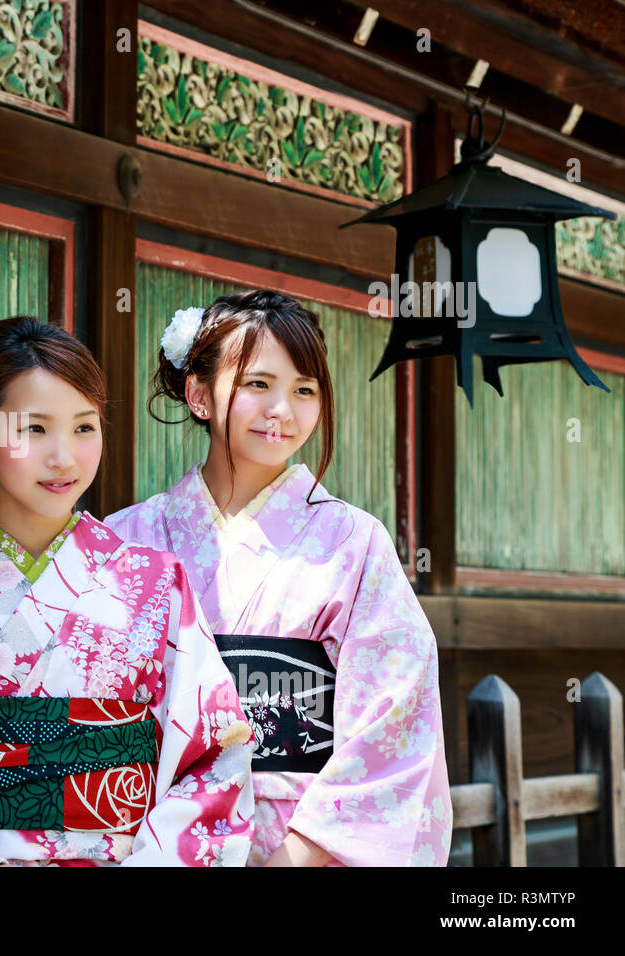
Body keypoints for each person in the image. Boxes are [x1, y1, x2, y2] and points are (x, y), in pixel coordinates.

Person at [0, 317, 256, 866]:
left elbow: (216, 750)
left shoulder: (155, 584)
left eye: (84, 427)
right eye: (34, 429)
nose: (64, 457)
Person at [107, 289, 452, 866]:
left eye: (304, 391)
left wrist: (296, 858)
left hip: (300, 846)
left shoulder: (354, 543)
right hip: (149, 842)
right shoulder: (126, 540)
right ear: (199, 394)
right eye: (258, 385)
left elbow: (395, 717)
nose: (283, 411)